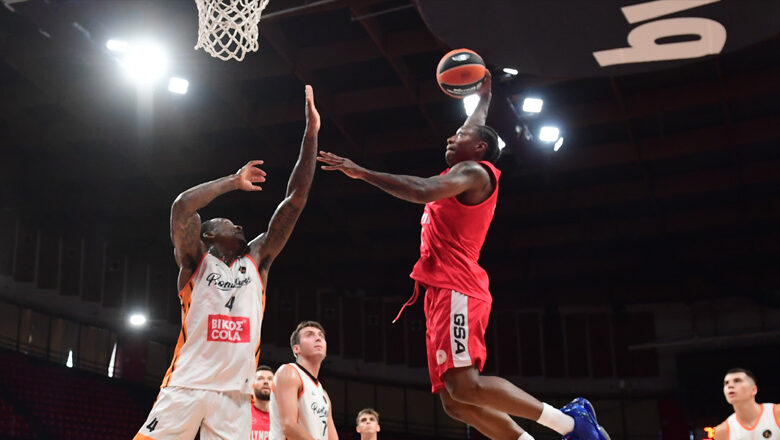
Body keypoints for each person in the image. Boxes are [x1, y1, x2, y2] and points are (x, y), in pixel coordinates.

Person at [317, 71, 608, 440]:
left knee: (465, 384)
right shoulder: (467, 164)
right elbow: (476, 121)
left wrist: (362, 173)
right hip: (441, 289)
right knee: (454, 400)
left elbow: (421, 190)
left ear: (480, 148)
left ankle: (571, 423)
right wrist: (485, 95)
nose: (451, 137)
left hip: (458, 284)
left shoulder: (474, 172)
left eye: (460, 135)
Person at [133, 85, 320, 440]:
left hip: (235, 395)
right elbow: (182, 207)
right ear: (207, 235)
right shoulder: (195, 262)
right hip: (186, 385)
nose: (237, 225)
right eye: (228, 223)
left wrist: (311, 134)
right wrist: (232, 182)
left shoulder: (257, 260)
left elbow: (296, 199)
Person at [269, 321, 338, 440]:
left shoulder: (324, 394)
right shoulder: (289, 372)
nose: (318, 338)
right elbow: (289, 426)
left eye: (321, 336)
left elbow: (332, 437)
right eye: (310, 335)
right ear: (296, 349)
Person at [713, 368, 779, 440]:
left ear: (754, 390)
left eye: (737, 381)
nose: (730, 386)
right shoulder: (722, 431)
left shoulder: (777, 413)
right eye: (726, 383)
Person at [252, 365, 274, 440]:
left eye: (270, 379)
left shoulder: (281, 417)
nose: (266, 382)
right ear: (252, 384)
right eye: (260, 378)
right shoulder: (244, 412)